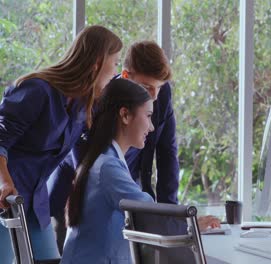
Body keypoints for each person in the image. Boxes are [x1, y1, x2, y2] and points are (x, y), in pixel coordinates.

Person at [60, 79, 219, 263]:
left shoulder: (106, 160)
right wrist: (191, 225)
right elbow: (148, 214)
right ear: (125, 115)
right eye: (148, 115)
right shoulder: (108, 168)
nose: (151, 127)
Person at [0, 25, 122, 262]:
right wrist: (3, 181)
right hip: (6, 199)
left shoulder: (81, 105)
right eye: (115, 62)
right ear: (97, 61)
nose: (115, 70)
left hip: (35, 205)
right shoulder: (38, 90)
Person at [47, 40, 180, 252]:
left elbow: (168, 153)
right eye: (147, 87)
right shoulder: (98, 95)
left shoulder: (160, 95)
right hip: (75, 194)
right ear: (126, 76)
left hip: (123, 195)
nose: (153, 97)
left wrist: (172, 215)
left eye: (159, 88)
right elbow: (84, 160)